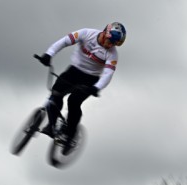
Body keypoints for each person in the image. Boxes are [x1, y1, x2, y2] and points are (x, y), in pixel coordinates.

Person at [38, 22, 126, 154]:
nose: (111, 45)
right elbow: (64, 42)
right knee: (56, 93)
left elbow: (108, 74)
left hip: (90, 79)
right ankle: (51, 125)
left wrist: (96, 88)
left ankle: (70, 134)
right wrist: (48, 54)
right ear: (105, 33)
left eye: (115, 43)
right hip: (74, 71)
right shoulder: (86, 33)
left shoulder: (112, 54)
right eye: (111, 41)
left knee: (73, 102)